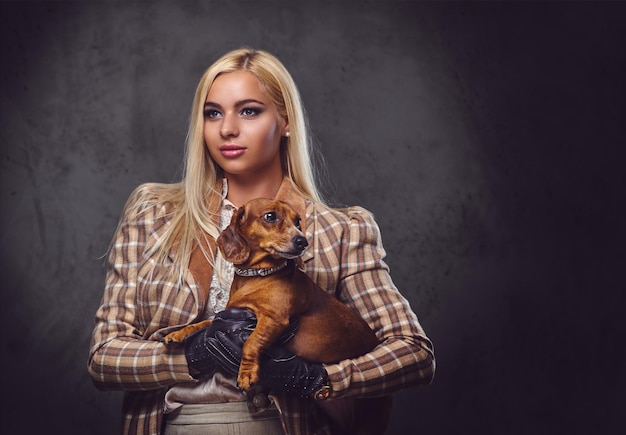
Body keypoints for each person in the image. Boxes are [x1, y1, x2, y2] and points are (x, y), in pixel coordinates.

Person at [88, 47, 435, 435]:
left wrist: (317, 380)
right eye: (213, 112)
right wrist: (194, 355)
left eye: (249, 111)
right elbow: (104, 358)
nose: (227, 129)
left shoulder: (341, 229)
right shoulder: (153, 215)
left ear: (285, 121)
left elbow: (414, 354)